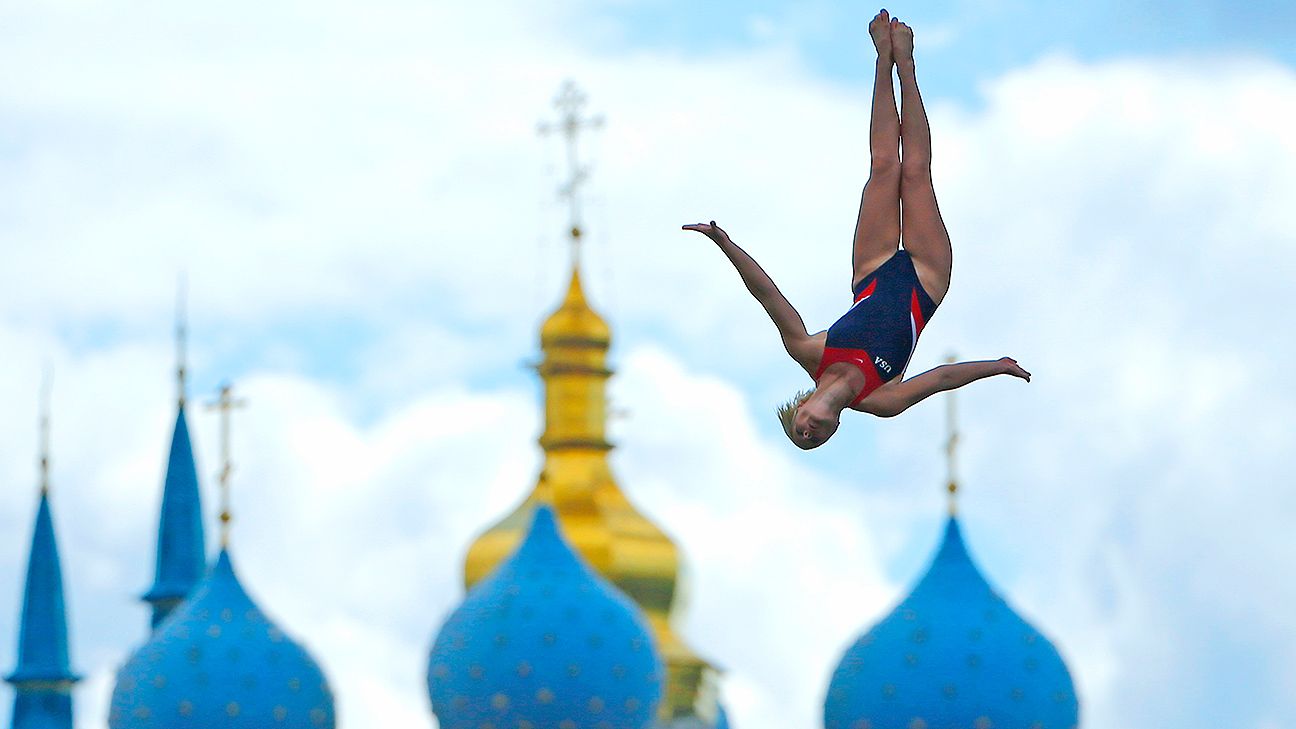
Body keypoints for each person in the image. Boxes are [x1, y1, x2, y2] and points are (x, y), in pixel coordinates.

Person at [684, 10, 1030, 450]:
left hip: (872, 268)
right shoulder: (881, 400)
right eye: (816, 438)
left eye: (800, 429)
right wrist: (995, 366)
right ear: (835, 428)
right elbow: (941, 378)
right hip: (926, 281)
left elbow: (766, 294)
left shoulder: (808, 352)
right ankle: (908, 66)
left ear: (802, 406)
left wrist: (723, 243)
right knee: (917, 173)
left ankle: (884, 59)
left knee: (885, 166)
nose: (810, 430)